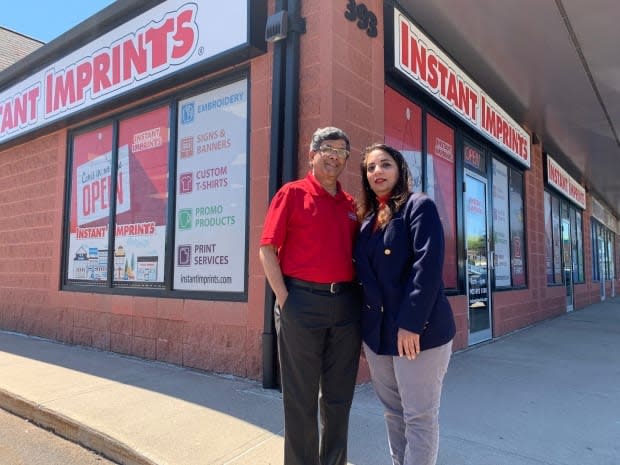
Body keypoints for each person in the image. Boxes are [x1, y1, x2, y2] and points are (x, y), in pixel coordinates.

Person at [259, 127, 362, 465]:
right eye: (328, 148)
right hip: (300, 303)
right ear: (313, 153)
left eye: (342, 151)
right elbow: (267, 249)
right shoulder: (291, 194)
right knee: (300, 399)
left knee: (338, 398)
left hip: (345, 308)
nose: (335, 155)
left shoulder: (349, 206)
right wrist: (285, 299)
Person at [354, 143, 456, 465]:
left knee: (419, 417)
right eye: (370, 167)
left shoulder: (418, 206)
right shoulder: (366, 220)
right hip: (378, 336)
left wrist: (411, 323)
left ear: (399, 170)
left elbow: (427, 267)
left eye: (385, 165)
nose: (377, 172)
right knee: (393, 413)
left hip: (418, 333)